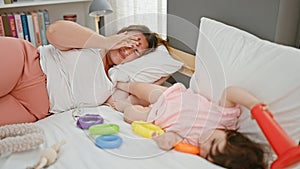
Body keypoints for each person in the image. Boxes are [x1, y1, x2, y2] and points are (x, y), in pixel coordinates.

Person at [0, 20, 168, 126]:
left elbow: (140, 99)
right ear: (120, 35)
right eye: (129, 40)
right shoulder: (92, 41)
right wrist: (107, 42)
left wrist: (162, 78)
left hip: (33, 109)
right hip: (25, 64)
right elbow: (54, 32)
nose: (128, 49)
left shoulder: (114, 84)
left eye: (136, 51)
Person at [112, 82, 268, 169]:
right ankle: (117, 81)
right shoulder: (225, 118)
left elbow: (173, 138)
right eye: (213, 142)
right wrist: (253, 104)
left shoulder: (194, 146)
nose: (205, 146)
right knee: (136, 87)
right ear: (230, 134)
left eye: (207, 155)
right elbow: (231, 91)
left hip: (154, 117)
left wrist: (164, 140)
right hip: (169, 97)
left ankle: (120, 103)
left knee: (130, 114)